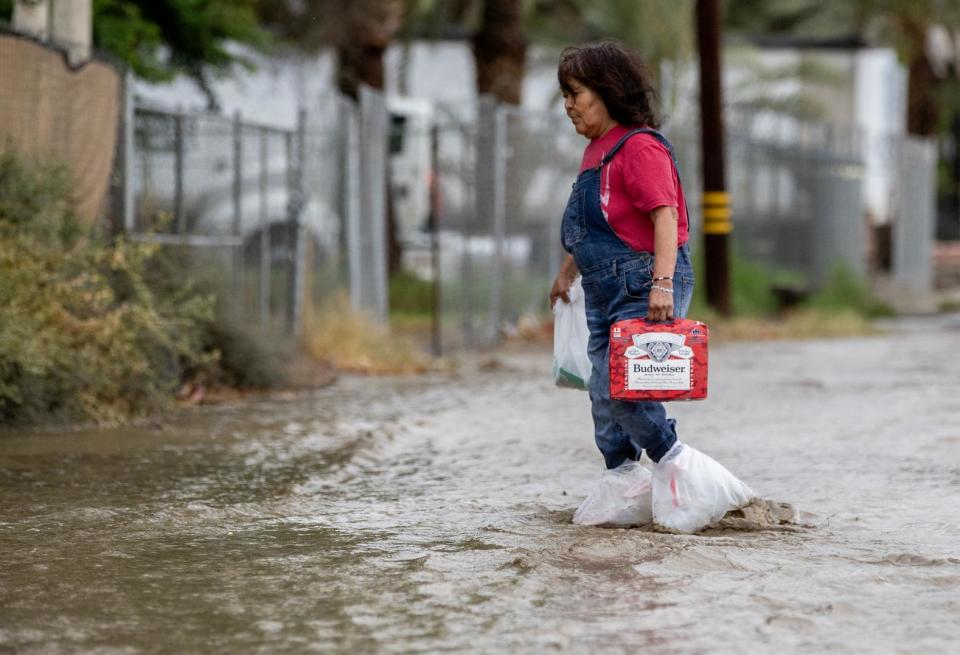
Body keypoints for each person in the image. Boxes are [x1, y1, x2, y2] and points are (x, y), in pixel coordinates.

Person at [550, 42, 754, 534]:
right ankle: (623, 479)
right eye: (565, 95)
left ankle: (675, 463)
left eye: (576, 93)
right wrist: (567, 272)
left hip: (644, 280)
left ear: (607, 91)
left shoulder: (638, 146)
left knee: (627, 387)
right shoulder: (592, 153)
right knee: (602, 391)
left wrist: (661, 284)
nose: (569, 105)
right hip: (601, 286)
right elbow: (595, 224)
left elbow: (664, 217)